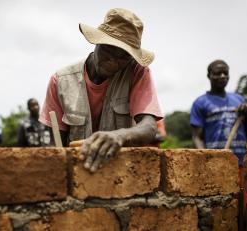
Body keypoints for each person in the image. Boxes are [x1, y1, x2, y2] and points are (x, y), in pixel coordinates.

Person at [40, 8, 162, 173]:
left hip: (121, 172)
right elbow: (55, 143)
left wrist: (120, 136)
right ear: (97, 42)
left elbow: (149, 127)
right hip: (77, 172)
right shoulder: (61, 81)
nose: (114, 61)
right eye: (109, 50)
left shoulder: (137, 72)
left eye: (124, 56)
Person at [190, 60, 247, 167]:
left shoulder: (239, 100)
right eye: (218, 73)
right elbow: (196, 137)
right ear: (209, 75)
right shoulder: (200, 102)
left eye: (225, 73)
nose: (223, 76)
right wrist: (205, 159)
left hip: (241, 162)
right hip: (215, 162)